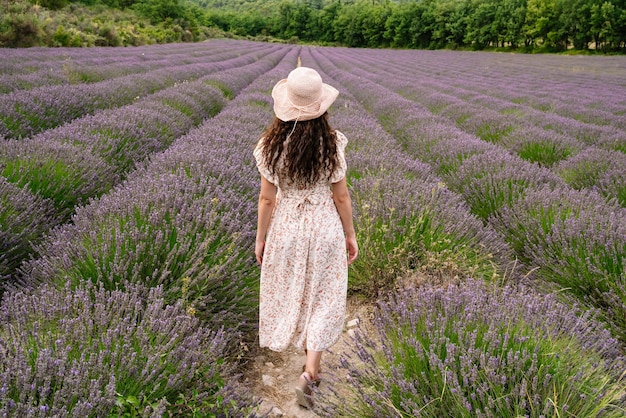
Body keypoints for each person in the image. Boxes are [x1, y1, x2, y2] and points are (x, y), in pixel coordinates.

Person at [253, 66, 358, 408]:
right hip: (324, 226)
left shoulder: (270, 146)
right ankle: (311, 370)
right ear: (322, 107)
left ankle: (304, 357)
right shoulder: (332, 144)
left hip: (287, 228)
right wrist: (350, 234)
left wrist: (260, 238)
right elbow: (341, 196)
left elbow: (267, 199)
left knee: (294, 288)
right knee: (325, 295)